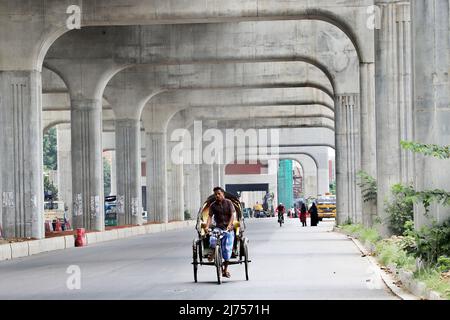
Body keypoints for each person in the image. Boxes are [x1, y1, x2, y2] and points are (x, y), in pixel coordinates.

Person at [205, 187, 236, 278]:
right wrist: (207, 226)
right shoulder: (213, 205)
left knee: (227, 249)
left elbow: (232, 215)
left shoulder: (229, 203)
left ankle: (225, 270)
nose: (217, 196)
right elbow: (210, 217)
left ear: (223, 194)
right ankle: (214, 251)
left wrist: (230, 225)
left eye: (219, 194)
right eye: (215, 194)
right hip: (218, 228)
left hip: (228, 229)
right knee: (212, 238)